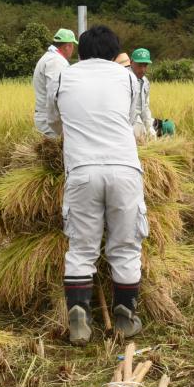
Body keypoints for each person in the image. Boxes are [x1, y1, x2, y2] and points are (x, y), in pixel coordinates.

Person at [47, 26, 146, 345]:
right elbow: (130, 119)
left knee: (81, 247)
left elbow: (53, 120)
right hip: (124, 168)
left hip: (82, 171)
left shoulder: (64, 76)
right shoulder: (128, 78)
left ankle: (79, 317)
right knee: (125, 245)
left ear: (81, 51)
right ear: (115, 52)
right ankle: (124, 317)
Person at [32, 28, 77, 138]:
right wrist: (58, 124)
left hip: (47, 118)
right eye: (72, 46)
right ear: (67, 46)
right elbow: (54, 94)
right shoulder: (55, 61)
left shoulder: (50, 58)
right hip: (50, 121)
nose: (73, 50)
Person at [128, 47, 156, 141]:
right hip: (127, 122)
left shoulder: (145, 82)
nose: (143, 69)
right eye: (140, 65)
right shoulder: (125, 78)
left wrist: (149, 127)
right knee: (140, 134)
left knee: (153, 135)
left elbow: (145, 107)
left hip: (139, 120)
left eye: (145, 65)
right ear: (131, 62)